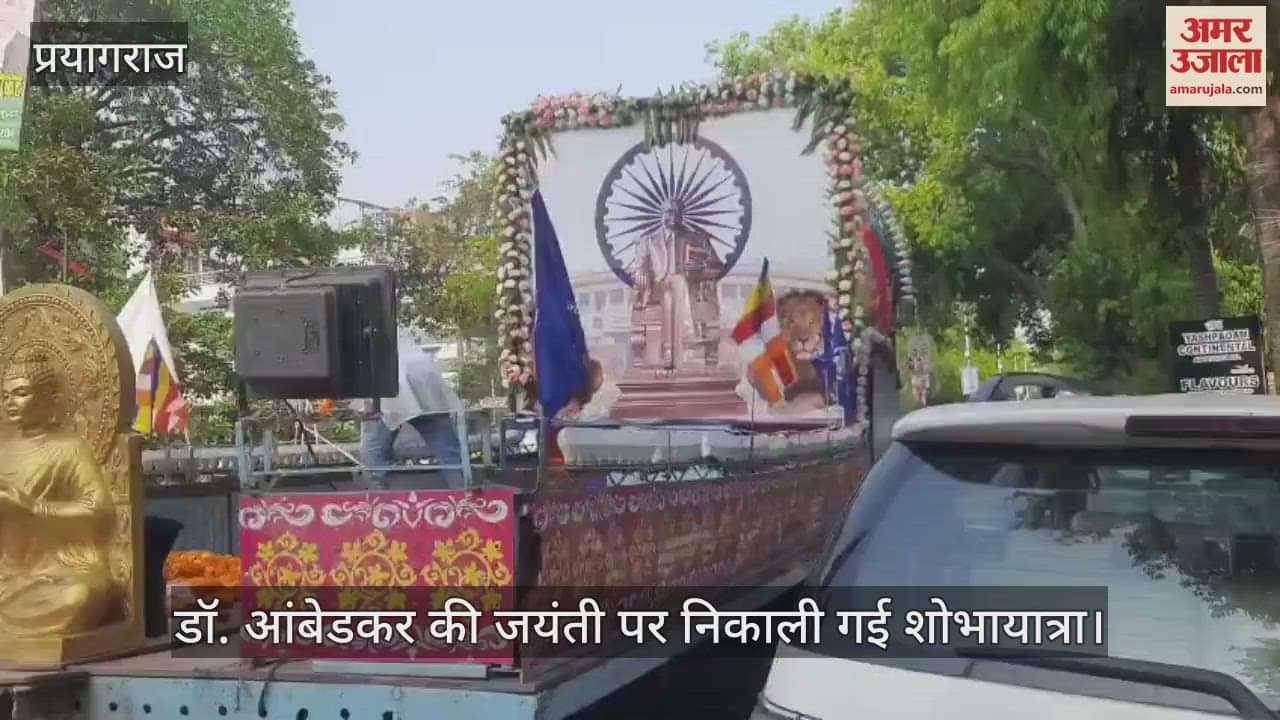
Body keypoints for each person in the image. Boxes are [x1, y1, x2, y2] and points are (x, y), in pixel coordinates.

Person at [0, 347, 114, 637]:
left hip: (57, 568)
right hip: (7, 569)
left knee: (78, 598)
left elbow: (98, 507)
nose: (10, 402)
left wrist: (34, 508)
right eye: (5, 395)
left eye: (21, 393)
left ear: (51, 399)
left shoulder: (69, 449)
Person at [360, 336, 466, 490]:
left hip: (394, 385)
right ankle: (463, 494)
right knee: (448, 449)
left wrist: (369, 405)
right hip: (422, 380)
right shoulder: (389, 330)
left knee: (374, 449)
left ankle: (384, 498)